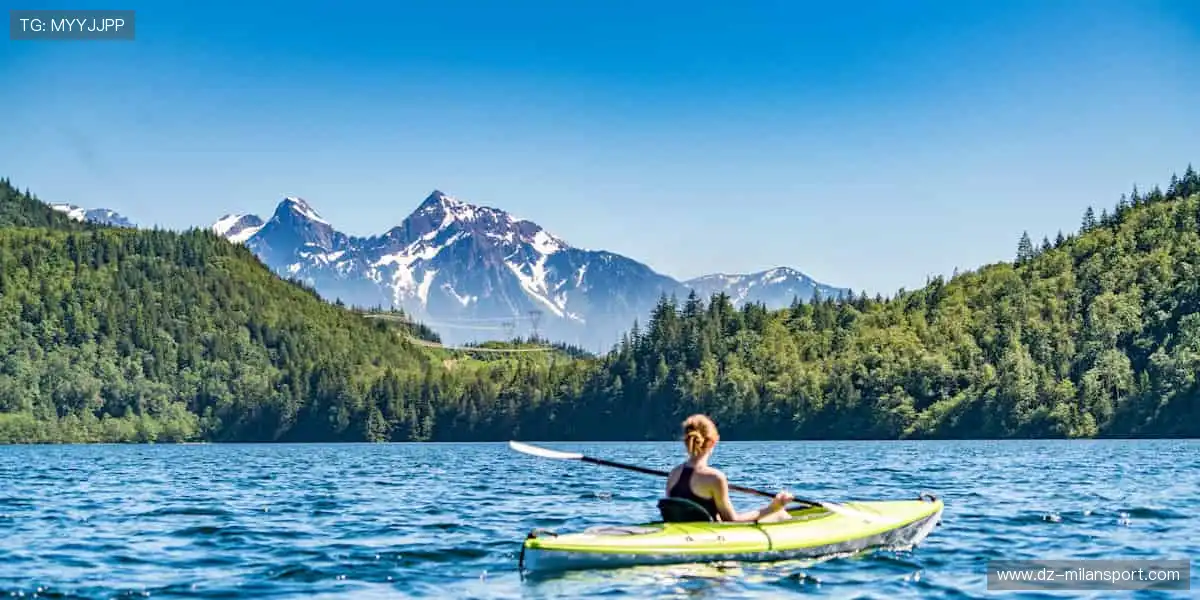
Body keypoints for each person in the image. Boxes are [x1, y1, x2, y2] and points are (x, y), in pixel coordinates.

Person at [665, 414, 794, 522]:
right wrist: (773, 507)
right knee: (780, 515)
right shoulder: (714, 478)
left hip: (688, 532)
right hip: (711, 537)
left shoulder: (673, 474)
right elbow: (732, 521)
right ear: (712, 442)